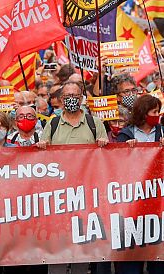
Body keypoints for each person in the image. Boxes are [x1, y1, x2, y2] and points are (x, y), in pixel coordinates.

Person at [37, 81, 108, 274]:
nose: (71, 100)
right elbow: (41, 159)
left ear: (82, 98)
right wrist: (42, 147)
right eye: (67, 96)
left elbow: (107, 158)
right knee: (58, 244)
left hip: (86, 195)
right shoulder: (52, 124)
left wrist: (103, 145)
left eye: (75, 96)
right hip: (58, 196)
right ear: (61, 100)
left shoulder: (95, 124)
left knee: (82, 244)